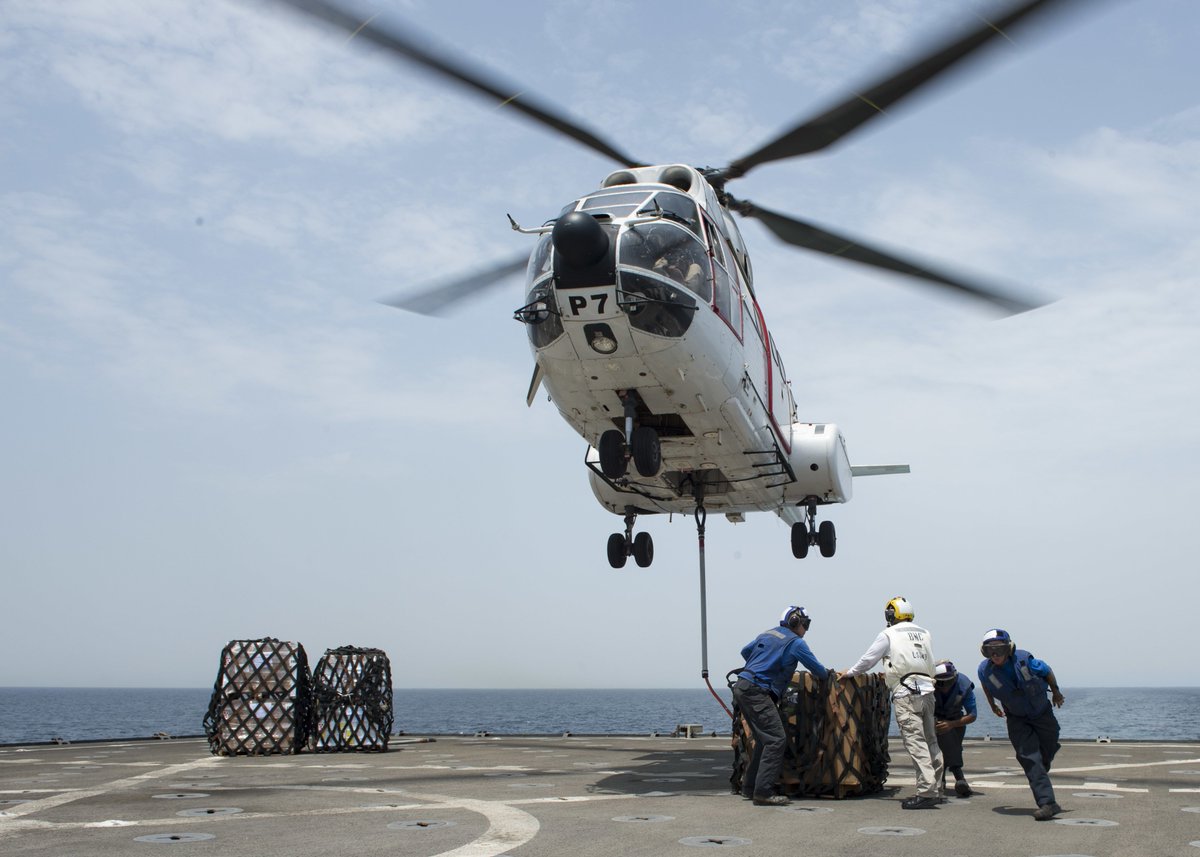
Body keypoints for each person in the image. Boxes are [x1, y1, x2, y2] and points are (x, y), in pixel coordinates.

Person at [840, 596, 944, 809]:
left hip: (906, 693)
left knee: (916, 742)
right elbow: (930, 663)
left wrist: (850, 673)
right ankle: (938, 787)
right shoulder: (925, 633)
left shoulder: (888, 634)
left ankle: (926, 792)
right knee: (931, 741)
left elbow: (868, 660)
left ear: (891, 615)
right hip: (928, 693)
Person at [732, 605, 832, 807]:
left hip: (742, 686)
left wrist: (762, 664)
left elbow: (745, 651)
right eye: (806, 625)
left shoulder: (767, 634)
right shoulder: (796, 643)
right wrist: (829, 675)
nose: (806, 629)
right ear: (796, 623)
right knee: (777, 740)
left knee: (764, 740)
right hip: (756, 691)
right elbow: (818, 670)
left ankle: (749, 788)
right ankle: (763, 793)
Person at [977, 628, 1066, 821]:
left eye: (999, 649)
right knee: (1029, 758)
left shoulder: (1025, 661)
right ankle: (1048, 803)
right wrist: (992, 705)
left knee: (1048, 747)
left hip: (1042, 713)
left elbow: (1047, 671)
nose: (995, 655)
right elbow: (985, 685)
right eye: (990, 651)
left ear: (1008, 649)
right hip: (1016, 717)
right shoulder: (985, 670)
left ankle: (1042, 766)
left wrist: (1056, 692)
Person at [933, 659, 977, 797]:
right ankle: (959, 778)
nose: (944, 687)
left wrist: (951, 724)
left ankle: (944, 779)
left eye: (948, 682)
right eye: (941, 683)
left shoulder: (964, 685)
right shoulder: (928, 685)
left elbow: (973, 715)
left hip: (956, 721)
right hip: (934, 720)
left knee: (952, 744)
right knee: (941, 745)